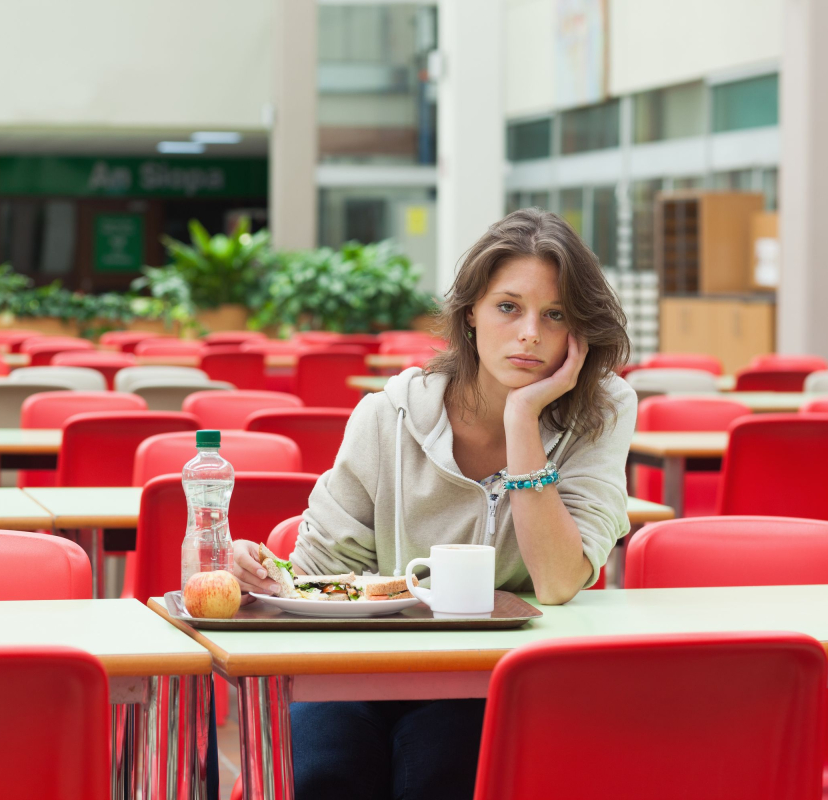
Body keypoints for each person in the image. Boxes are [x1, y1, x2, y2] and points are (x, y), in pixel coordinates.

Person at [229, 208, 637, 799]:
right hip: (363, 672)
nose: (530, 332)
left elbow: (555, 581)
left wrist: (523, 420)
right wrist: (263, 572)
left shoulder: (601, 412)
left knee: (442, 773)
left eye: (556, 316)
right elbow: (314, 574)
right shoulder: (386, 415)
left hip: (499, 678)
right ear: (470, 312)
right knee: (323, 775)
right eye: (508, 307)